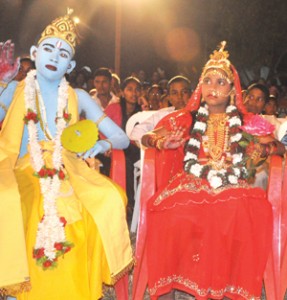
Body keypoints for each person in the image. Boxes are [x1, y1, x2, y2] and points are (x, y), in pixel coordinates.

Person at [0, 11, 133, 300]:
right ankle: (18, 289)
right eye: (48, 49)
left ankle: (79, 289)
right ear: (34, 53)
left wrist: (101, 146)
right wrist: (1, 85)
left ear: (70, 65)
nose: (54, 57)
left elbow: (122, 138)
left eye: (63, 54)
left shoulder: (79, 96)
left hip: (68, 168)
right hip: (23, 168)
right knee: (27, 203)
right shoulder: (15, 90)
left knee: (110, 198)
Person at [140, 42, 285, 299]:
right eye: (207, 81)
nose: (213, 87)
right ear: (200, 87)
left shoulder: (246, 122)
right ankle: (177, 285)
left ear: (232, 90)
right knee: (175, 210)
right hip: (192, 180)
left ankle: (224, 285)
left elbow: (277, 148)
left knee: (236, 210)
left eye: (220, 82)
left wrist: (262, 150)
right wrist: (163, 142)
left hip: (233, 183)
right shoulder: (187, 118)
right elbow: (147, 137)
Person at [130, 75, 192, 144]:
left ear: (191, 94)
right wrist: (159, 143)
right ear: (169, 98)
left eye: (184, 92)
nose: (180, 96)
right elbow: (136, 133)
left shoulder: (200, 114)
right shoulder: (162, 114)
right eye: (174, 93)